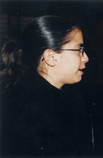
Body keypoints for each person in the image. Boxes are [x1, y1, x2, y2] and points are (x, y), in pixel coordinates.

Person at [0, 15, 91, 157]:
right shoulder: (16, 106)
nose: (85, 57)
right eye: (79, 49)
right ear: (51, 57)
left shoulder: (75, 99)